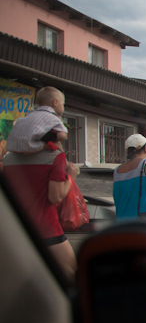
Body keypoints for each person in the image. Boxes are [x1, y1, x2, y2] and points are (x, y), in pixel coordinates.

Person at [2, 121, 80, 284]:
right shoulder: (56, 157)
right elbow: (55, 196)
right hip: (47, 229)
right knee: (71, 273)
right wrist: (71, 177)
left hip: (15, 230)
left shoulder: (8, 159)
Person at [5, 86, 69, 154]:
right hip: (32, 146)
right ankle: (46, 145)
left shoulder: (28, 115)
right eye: (63, 104)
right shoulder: (53, 117)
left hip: (12, 148)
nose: (63, 108)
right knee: (60, 136)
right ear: (55, 103)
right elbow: (62, 135)